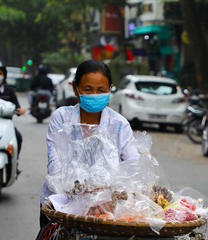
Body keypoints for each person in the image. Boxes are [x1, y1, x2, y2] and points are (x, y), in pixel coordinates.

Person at [39, 59, 140, 228]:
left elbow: (133, 166)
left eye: (101, 90)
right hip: (61, 205)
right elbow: (55, 166)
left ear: (110, 90)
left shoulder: (119, 125)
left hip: (104, 210)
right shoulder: (62, 118)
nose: (94, 95)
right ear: (75, 89)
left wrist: (110, 195)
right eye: (88, 90)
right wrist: (81, 194)